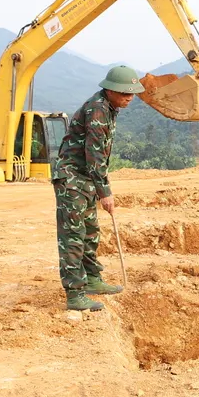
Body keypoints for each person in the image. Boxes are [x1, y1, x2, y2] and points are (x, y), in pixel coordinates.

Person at [51, 65, 143, 311]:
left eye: (132, 93)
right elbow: (95, 156)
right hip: (72, 179)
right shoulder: (98, 110)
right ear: (110, 90)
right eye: (125, 93)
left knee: (90, 232)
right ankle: (74, 295)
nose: (129, 97)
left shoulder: (110, 107)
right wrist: (105, 193)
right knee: (73, 236)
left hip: (85, 179)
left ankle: (92, 279)